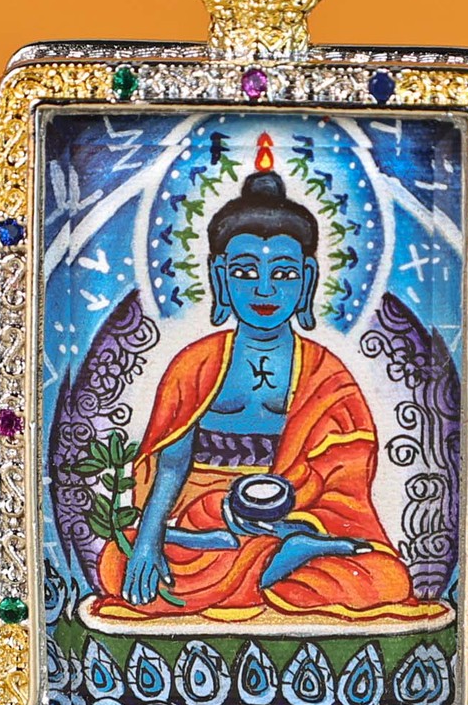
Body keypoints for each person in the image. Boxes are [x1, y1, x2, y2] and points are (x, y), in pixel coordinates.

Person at [91, 139, 445, 624]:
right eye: (244, 271)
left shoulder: (325, 373)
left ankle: (282, 554)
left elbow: (343, 478)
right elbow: (170, 466)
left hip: (293, 515)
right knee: (119, 559)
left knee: (384, 578)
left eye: (282, 273)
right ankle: (274, 563)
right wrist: (151, 541)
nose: (263, 289)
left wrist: (293, 512)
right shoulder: (197, 363)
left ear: (307, 278)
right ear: (219, 276)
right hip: (206, 522)